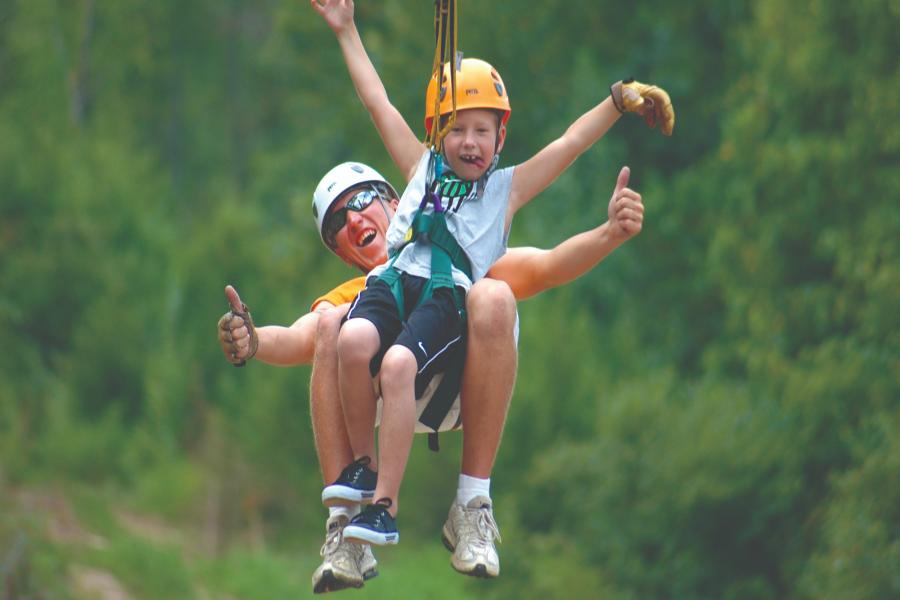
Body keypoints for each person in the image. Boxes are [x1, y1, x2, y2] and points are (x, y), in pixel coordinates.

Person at [308, 0, 673, 567]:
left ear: (501, 139)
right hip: (393, 297)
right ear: (436, 135)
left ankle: (393, 503)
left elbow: (568, 145)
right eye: (458, 130)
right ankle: (361, 476)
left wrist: (615, 101)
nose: (471, 142)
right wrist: (346, 29)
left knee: (403, 359)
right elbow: (376, 101)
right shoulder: (419, 168)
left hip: (441, 327)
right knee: (350, 339)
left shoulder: (505, 190)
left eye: (483, 131)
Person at [219, 158, 645, 591]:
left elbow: (548, 265)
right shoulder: (363, 293)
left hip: (464, 386)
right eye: (338, 226)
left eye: (362, 201)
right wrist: (252, 340)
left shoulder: (459, 256)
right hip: (390, 394)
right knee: (331, 324)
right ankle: (344, 527)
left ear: (396, 202)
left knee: (493, 293)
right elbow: (297, 337)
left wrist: (609, 233)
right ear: (342, 251)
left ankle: (473, 504)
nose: (353, 220)